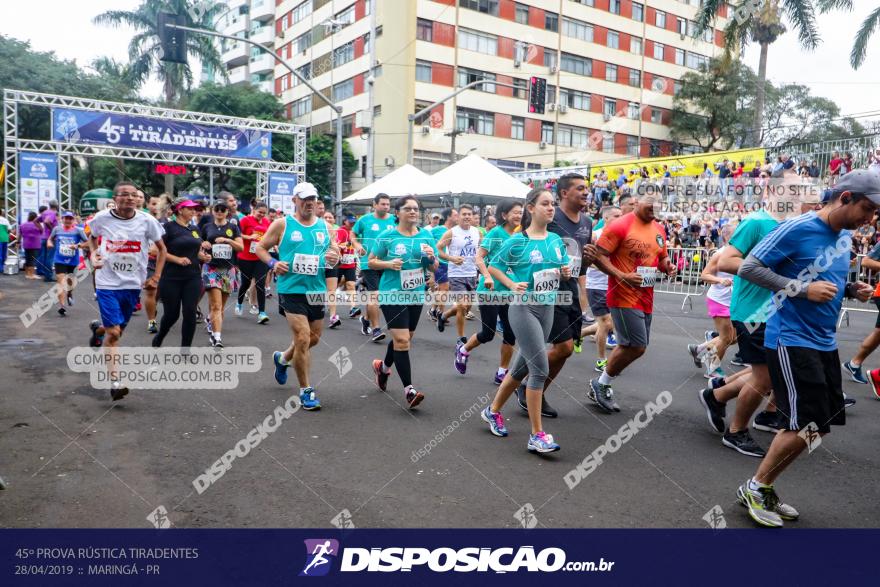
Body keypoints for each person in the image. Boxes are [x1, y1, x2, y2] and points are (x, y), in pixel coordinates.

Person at [733, 170, 879, 528]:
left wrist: (848, 290)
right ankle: (756, 485)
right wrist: (800, 290)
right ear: (845, 197)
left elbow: (821, 279)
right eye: (868, 209)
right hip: (791, 339)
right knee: (802, 424)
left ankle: (764, 485)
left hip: (824, 341)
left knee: (821, 425)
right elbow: (749, 267)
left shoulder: (843, 236)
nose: (871, 219)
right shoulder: (797, 227)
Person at [481, 187, 571, 453]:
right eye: (545, 203)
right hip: (523, 309)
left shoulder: (555, 240)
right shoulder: (517, 240)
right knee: (540, 369)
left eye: (552, 204)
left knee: (520, 369)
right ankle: (537, 434)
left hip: (548, 307)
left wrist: (564, 271)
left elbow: (563, 271)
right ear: (531, 208)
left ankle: (492, 410)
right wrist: (511, 284)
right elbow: (494, 265)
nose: (551, 208)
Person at [515, 173, 597, 418]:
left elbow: (578, 265)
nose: (585, 192)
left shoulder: (587, 222)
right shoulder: (551, 216)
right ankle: (526, 388)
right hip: (546, 291)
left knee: (566, 349)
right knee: (562, 346)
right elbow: (524, 242)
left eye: (587, 188)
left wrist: (588, 261)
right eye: (580, 188)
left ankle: (533, 392)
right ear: (564, 193)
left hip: (569, 288)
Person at [590, 192, 676, 413]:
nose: (654, 208)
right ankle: (601, 384)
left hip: (646, 296)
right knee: (637, 346)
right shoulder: (620, 225)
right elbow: (598, 256)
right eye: (651, 204)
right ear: (637, 202)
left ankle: (600, 384)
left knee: (633, 346)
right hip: (623, 295)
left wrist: (668, 266)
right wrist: (622, 276)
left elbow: (661, 257)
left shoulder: (659, 229)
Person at [261, 182, 339, 411]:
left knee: (313, 338)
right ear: (295, 200)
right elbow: (260, 247)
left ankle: (282, 359)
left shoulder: (325, 226)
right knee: (303, 338)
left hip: (316, 289)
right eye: (304, 198)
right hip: (291, 288)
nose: (309, 203)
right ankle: (306, 391)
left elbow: (333, 250)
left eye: (313, 198)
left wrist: (334, 255)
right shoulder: (282, 224)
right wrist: (274, 263)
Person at [86, 181, 166, 401]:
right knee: (114, 335)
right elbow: (91, 238)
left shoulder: (147, 221)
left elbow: (162, 249)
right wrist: (93, 255)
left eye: (133, 195)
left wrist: (156, 277)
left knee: (115, 331)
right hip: (107, 284)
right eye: (124, 194)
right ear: (115, 198)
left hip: (132, 284)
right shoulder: (102, 218)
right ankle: (115, 383)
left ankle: (98, 329)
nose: (129, 198)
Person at [369, 195, 438, 409]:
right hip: (392, 294)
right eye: (407, 208)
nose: (413, 212)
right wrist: (389, 264)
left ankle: (383, 367)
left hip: (416, 294)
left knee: (405, 339)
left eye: (416, 208)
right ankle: (409, 390)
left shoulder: (426, 236)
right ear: (397, 213)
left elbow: (434, 266)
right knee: (401, 341)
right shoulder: (387, 236)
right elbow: (371, 262)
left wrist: (431, 259)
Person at [454, 200, 522, 382]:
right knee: (488, 334)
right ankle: (463, 350)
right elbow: (479, 257)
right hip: (490, 290)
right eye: (515, 212)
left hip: (510, 291)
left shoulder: (521, 236)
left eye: (520, 212)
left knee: (510, 334)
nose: (519, 215)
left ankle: (502, 371)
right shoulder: (495, 234)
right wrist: (488, 275)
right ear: (504, 215)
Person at [152, 198, 210, 348]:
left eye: (194, 209)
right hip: (171, 277)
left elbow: (195, 251)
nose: (193, 211)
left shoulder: (194, 229)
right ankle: (160, 336)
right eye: (189, 208)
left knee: (190, 313)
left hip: (192, 277)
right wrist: (176, 259)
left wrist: (203, 256)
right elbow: (154, 250)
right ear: (179, 210)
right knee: (172, 315)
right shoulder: (167, 228)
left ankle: (185, 350)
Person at [689, 225, 736, 379]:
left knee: (735, 337)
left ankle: (700, 349)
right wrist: (720, 279)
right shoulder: (720, 254)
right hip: (719, 300)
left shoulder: (739, 254)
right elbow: (704, 275)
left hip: (732, 301)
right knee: (726, 338)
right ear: (727, 236)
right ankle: (712, 369)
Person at [582, 205, 622, 372]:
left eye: (621, 215)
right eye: (616, 216)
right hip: (597, 286)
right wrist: (609, 270)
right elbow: (587, 262)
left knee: (610, 323)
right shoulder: (595, 236)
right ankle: (601, 360)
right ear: (606, 218)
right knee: (606, 323)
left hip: (614, 286)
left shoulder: (620, 238)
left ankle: (578, 335)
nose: (620, 218)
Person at [351, 193, 395, 342]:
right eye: (383, 204)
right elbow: (353, 234)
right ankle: (376, 329)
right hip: (369, 263)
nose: (386, 207)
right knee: (374, 295)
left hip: (389, 263)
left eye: (388, 204)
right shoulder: (364, 220)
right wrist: (357, 245)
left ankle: (365, 318)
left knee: (383, 297)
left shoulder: (394, 220)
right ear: (374, 204)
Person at [436, 204, 481, 346]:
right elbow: (439, 249)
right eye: (464, 214)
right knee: (462, 306)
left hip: (472, 273)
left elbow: (480, 251)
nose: (467, 216)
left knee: (467, 307)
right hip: (456, 274)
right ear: (458, 217)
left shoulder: (477, 232)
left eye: (469, 214)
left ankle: (444, 316)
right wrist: (451, 258)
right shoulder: (451, 232)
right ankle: (461, 338)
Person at [199, 201, 243, 348]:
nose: (219, 211)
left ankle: (212, 323)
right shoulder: (206, 227)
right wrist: (203, 245)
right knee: (216, 305)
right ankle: (217, 338)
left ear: (227, 212)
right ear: (212, 211)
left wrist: (227, 240)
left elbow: (241, 247)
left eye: (222, 209)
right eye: (216, 209)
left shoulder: (233, 227)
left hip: (227, 270)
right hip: (211, 268)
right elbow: (197, 243)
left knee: (220, 307)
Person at [236, 201, 271, 324]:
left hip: (260, 257)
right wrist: (249, 237)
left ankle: (262, 313)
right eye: (259, 212)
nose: (261, 215)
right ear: (254, 210)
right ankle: (239, 303)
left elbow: (269, 236)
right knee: (245, 283)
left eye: (264, 213)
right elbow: (237, 234)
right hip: (245, 257)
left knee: (260, 284)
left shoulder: (267, 222)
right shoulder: (246, 220)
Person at [47, 211, 88, 315]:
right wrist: (49, 243)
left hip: (73, 260)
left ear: (73, 220)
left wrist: (77, 246)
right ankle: (62, 306)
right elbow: (50, 239)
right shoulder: (57, 229)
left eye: (70, 218)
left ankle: (69, 293)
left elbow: (87, 242)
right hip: (59, 260)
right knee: (60, 282)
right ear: (62, 219)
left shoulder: (79, 230)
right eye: (66, 218)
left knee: (70, 282)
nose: (68, 220)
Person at [145, 193, 173, 333]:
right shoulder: (144, 221)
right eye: (154, 204)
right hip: (150, 262)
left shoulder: (170, 224)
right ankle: (151, 321)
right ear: (149, 206)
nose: (157, 206)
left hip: (167, 263)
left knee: (165, 294)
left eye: (161, 204)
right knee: (151, 292)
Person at [329, 213, 358, 328]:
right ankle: (327, 304)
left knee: (351, 284)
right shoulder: (341, 231)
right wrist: (346, 244)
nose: (352, 223)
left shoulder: (355, 233)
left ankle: (352, 308)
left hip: (350, 262)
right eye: (350, 221)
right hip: (339, 263)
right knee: (332, 287)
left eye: (353, 221)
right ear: (344, 221)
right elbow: (336, 244)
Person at [428, 208, 457, 322]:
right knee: (444, 288)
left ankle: (433, 310)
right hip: (440, 262)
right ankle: (440, 314)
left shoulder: (456, 230)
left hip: (451, 263)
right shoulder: (437, 229)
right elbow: (426, 240)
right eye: (456, 215)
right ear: (449, 217)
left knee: (444, 288)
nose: (458, 217)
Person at [37, 200, 59, 281]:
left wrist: (41, 229)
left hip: (43, 238)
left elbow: (36, 221)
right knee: (50, 258)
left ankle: (42, 273)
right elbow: (46, 221)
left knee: (44, 257)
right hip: (51, 239)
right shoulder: (53, 213)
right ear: (56, 205)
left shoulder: (44, 212)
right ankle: (48, 277)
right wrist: (53, 231)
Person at [19, 211, 43, 280]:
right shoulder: (37, 224)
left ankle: (27, 274)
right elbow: (42, 231)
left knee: (27, 259)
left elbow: (20, 234)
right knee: (33, 260)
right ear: (36, 217)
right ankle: (31, 275)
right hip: (35, 245)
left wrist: (18, 242)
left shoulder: (23, 225)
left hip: (26, 244)